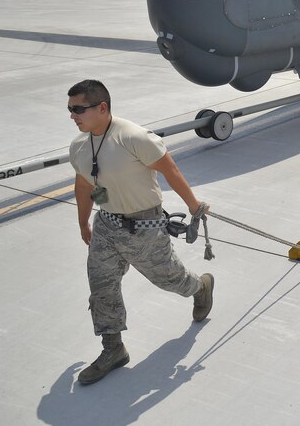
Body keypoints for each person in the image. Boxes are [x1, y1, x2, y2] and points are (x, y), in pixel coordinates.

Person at [67, 79, 214, 385]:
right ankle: (113, 348)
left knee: (169, 278)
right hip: (107, 223)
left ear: (102, 107)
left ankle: (200, 287)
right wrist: (83, 223)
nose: (73, 115)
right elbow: (83, 185)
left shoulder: (133, 137)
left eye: (78, 109)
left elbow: (170, 170)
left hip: (143, 226)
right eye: (70, 109)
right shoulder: (80, 146)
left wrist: (193, 205)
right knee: (101, 285)